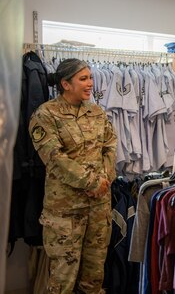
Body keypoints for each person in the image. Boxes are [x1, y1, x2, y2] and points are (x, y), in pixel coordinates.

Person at [29, 58, 117, 293]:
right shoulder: (45, 115)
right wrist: (91, 182)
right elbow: (55, 158)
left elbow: (110, 146)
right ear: (66, 84)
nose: (90, 83)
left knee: (94, 277)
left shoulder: (97, 112)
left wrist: (104, 179)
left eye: (90, 78)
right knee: (63, 280)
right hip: (65, 212)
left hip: (98, 207)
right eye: (83, 78)